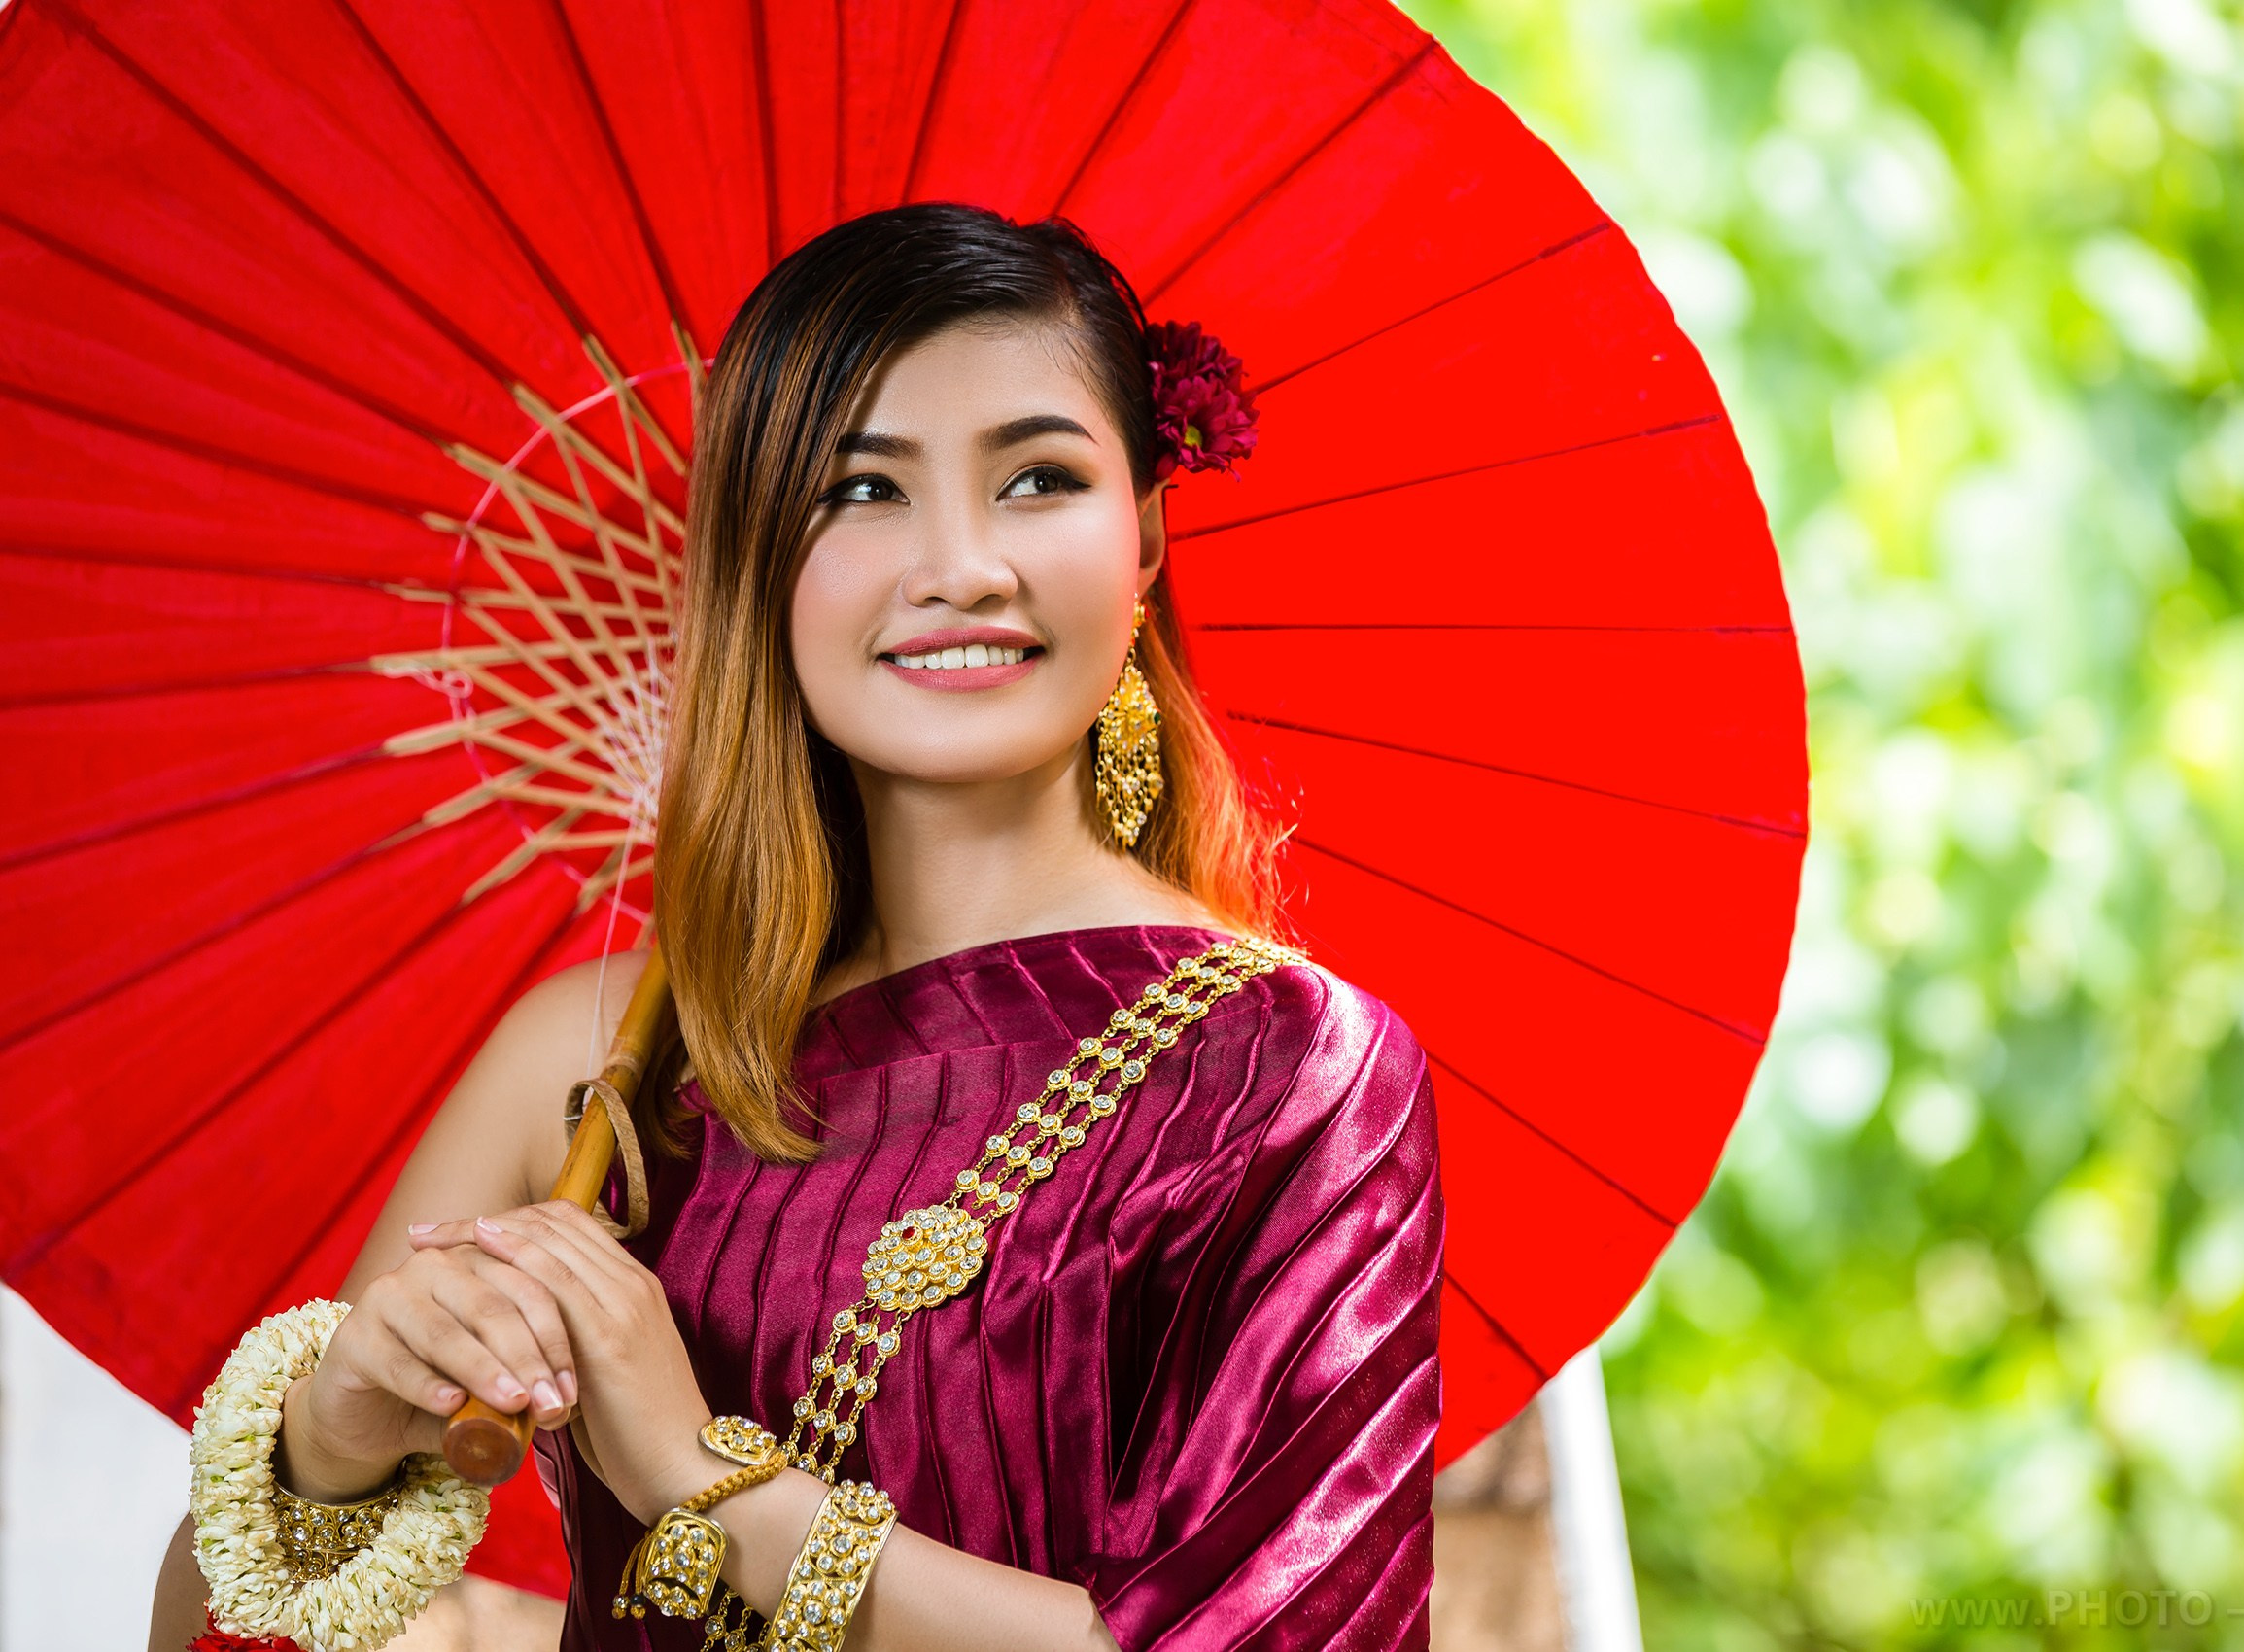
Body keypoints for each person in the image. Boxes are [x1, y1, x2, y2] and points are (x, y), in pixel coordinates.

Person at [151, 201, 1444, 1652]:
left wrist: (703, 1478)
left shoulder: (1285, 1073)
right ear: (758, 565)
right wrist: (334, 1433)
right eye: (860, 492)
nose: (962, 566)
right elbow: (202, 1633)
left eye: (1036, 479)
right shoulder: (593, 1062)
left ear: (1140, 536)